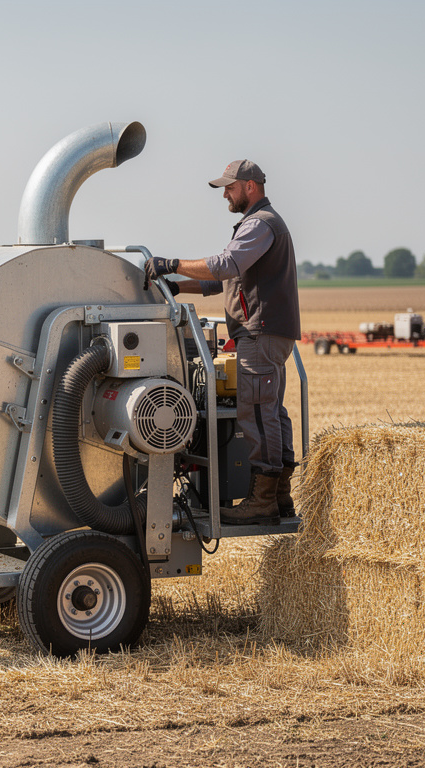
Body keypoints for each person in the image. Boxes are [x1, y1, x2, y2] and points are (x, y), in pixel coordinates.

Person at [143, 159, 300, 525]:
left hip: (259, 333)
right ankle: (279, 498)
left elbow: (225, 265)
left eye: (229, 187)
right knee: (271, 412)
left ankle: (263, 502)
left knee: (257, 413)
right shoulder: (257, 225)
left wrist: (172, 263)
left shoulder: (260, 224)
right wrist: (179, 286)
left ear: (250, 186)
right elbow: (222, 282)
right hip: (266, 333)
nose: (225, 194)